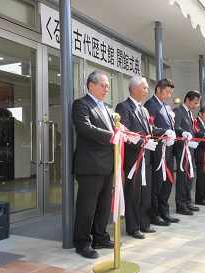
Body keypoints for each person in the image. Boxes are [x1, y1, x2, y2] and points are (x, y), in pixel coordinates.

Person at [72, 70, 120, 259]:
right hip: (90, 164)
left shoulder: (108, 108)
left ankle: (100, 236)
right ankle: (82, 242)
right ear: (91, 85)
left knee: (103, 204)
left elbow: (116, 128)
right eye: (103, 85)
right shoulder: (81, 104)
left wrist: (122, 132)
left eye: (108, 85)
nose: (106, 88)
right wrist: (113, 136)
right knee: (87, 205)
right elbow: (84, 128)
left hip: (108, 163)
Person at [115, 76, 158, 239]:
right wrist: (141, 143)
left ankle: (144, 223)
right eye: (145, 87)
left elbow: (151, 129)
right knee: (133, 192)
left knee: (145, 192)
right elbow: (124, 133)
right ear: (134, 88)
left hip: (146, 157)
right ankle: (132, 227)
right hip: (133, 158)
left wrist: (167, 133)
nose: (147, 91)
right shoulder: (123, 107)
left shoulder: (144, 109)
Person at [144, 79, 178, 225]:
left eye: (171, 93)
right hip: (157, 151)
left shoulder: (166, 106)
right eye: (167, 92)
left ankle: (164, 211)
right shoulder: (150, 105)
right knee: (157, 184)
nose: (169, 95)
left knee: (167, 183)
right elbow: (149, 127)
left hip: (168, 149)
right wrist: (165, 132)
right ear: (158, 89)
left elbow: (172, 126)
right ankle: (154, 214)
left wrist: (179, 132)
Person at [173, 90, 201, 215]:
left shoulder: (189, 113)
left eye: (197, 104)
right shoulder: (178, 111)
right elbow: (176, 127)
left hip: (190, 149)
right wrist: (183, 134)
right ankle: (181, 204)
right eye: (194, 103)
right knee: (183, 178)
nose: (195, 106)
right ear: (188, 100)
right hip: (182, 150)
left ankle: (187, 201)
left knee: (190, 177)